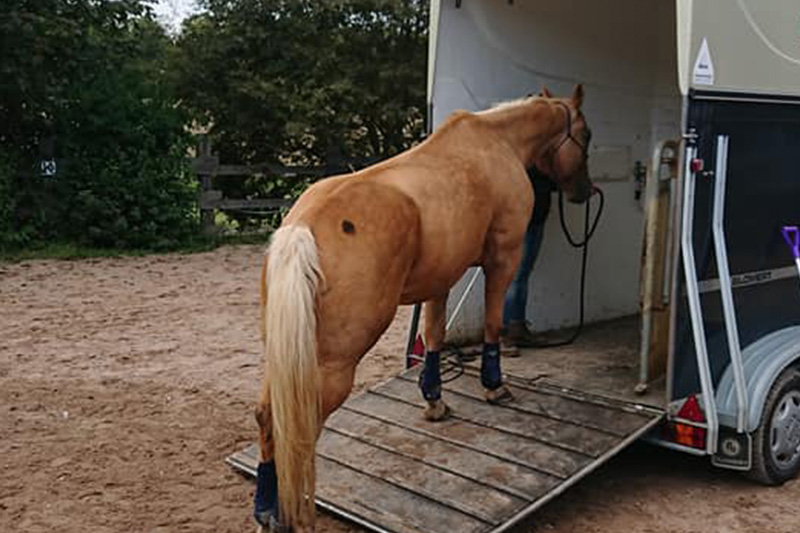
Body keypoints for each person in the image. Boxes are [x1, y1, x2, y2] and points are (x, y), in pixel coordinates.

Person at [502, 166, 555, 347]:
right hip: (528, 221)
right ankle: (509, 332)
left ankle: (514, 326)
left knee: (519, 276)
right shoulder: (532, 160)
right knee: (517, 276)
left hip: (531, 219)